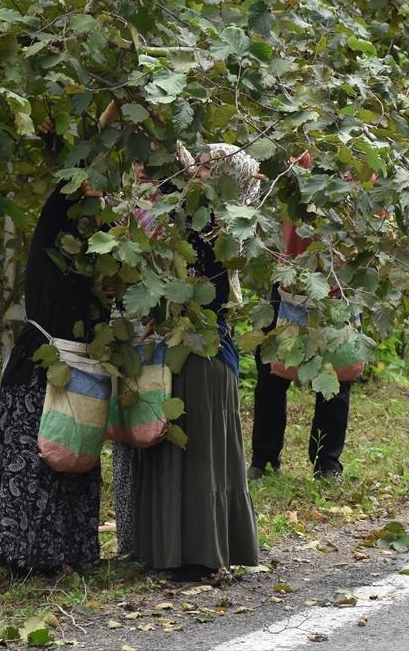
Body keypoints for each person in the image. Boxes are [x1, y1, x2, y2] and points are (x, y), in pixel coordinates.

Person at [129, 144, 261, 581]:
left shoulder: (221, 224)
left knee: (200, 455)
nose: (196, 174)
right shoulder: (205, 217)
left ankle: (200, 555)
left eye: (207, 169)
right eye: (198, 166)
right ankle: (176, 553)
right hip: (189, 349)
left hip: (203, 350)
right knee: (183, 451)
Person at [0, 184, 109, 576]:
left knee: (76, 459)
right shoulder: (54, 236)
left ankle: (67, 552)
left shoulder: (100, 254)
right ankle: (25, 557)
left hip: (82, 366)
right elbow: (74, 172)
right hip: (40, 364)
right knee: (33, 460)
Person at [249, 153, 354, 482]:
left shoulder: (359, 164)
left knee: (336, 376)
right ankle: (263, 461)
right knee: (271, 372)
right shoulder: (298, 158)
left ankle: (327, 464)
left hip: (337, 286)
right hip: (290, 278)